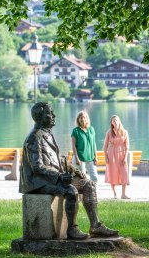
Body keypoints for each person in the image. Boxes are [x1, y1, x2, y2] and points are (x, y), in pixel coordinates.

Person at [19, 102, 118, 240]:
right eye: (50, 113)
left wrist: (73, 170)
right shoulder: (34, 138)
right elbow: (37, 167)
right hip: (37, 182)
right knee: (71, 190)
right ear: (40, 117)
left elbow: (57, 160)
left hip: (49, 178)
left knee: (88, 184)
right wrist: (59, 176)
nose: (54, 115)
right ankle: (72, 229)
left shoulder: (47, 134)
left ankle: (95, 225)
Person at [103, 115, 130, 199]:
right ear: (111, 123)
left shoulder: (125, 132)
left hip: (122, 153)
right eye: (113, 121)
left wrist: (125, 157)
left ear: (119, 121)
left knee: (124, 173)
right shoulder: (109, 132)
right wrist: (106, 156)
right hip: (112, 154)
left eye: (116, 120)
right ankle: (115, 194)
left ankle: (123, 194)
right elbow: (105, 146)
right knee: (112, 173)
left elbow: (127, 146)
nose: (115, 122)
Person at [71, 110, 98, 183]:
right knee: (81, 179)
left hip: (91, 158)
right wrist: (76, 158)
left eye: (84, 117)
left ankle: (93, 193)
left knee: (95, 178)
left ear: (87, 119)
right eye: (80, 117)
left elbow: (93, 143)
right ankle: (82, 194)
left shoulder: (91, 129)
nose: (82, 119)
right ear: (78, 120)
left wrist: (96, 157)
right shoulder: (75, 131)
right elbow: (73, 146)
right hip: (80, 158)